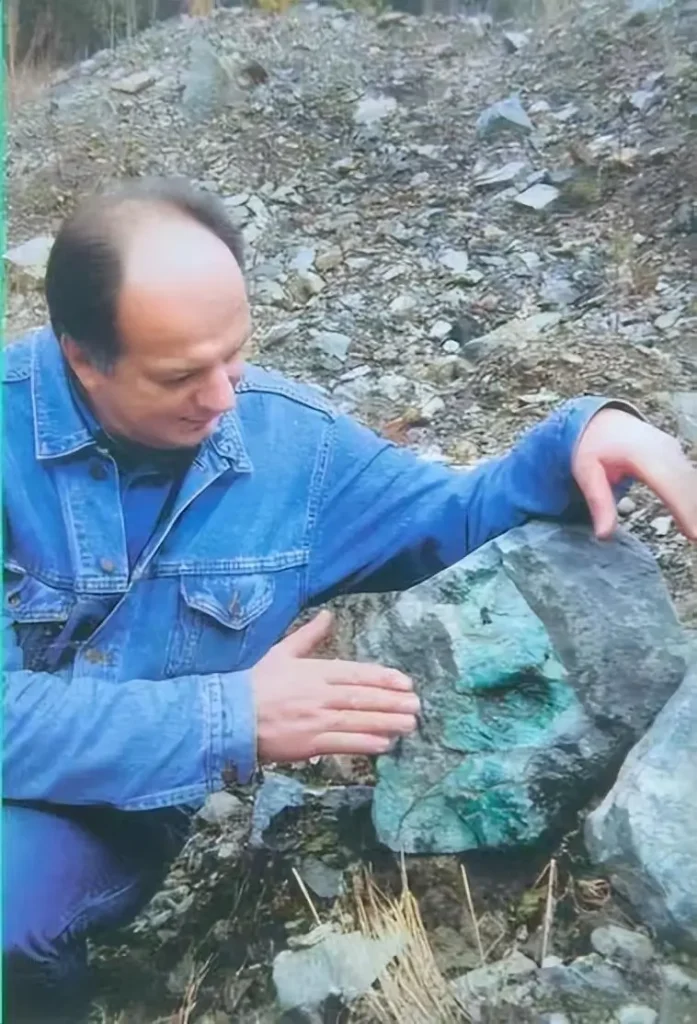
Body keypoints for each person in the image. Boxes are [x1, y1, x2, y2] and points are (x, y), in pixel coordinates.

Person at [3, 177, 696, 1023]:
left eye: (235, 353)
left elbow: (454, 517)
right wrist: (232, 717)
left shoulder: (291, 446)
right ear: (82, 355)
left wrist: (583, 435)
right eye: (181, 375)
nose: (223, 400)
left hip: (106, 814)